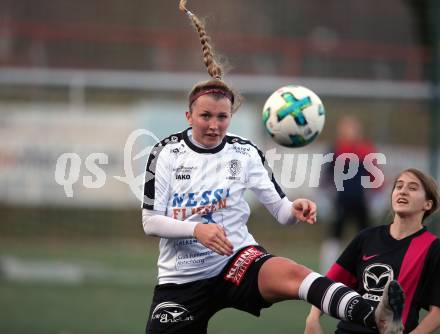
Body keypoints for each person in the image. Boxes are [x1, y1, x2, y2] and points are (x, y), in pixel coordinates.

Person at [142, 1, 404, 333]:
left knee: (292, 273)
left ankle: (375, 315)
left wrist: (294, 209)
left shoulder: (245, 152)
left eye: (222, 116)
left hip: (235, 261)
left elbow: (280, 211)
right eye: (205, 116)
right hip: (182, 280)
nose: (214, 124)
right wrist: (197, 229)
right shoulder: (165, 153)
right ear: (188, 116)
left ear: (231, 117)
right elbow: (150, 221)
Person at [305, 168, 440, 334]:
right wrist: (312, 319)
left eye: (412, 188)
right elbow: (328, 284)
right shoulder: (366, 237)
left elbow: (437, 312)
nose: (403, 191)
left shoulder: (433, 248)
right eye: (398, 186)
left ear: (428, 204)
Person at [319, 115, 378, 273]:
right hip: (341, 201)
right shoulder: (335, 149)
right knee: (335, 235)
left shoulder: (365, 149)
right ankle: (328, 270)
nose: (350, 131)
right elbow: (326, 177)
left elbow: (375, 176)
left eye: (353, 127)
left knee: (366, 235)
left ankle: (367, 268)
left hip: (360, 201)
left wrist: (375, 197)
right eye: (347, 127)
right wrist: (327, 196)